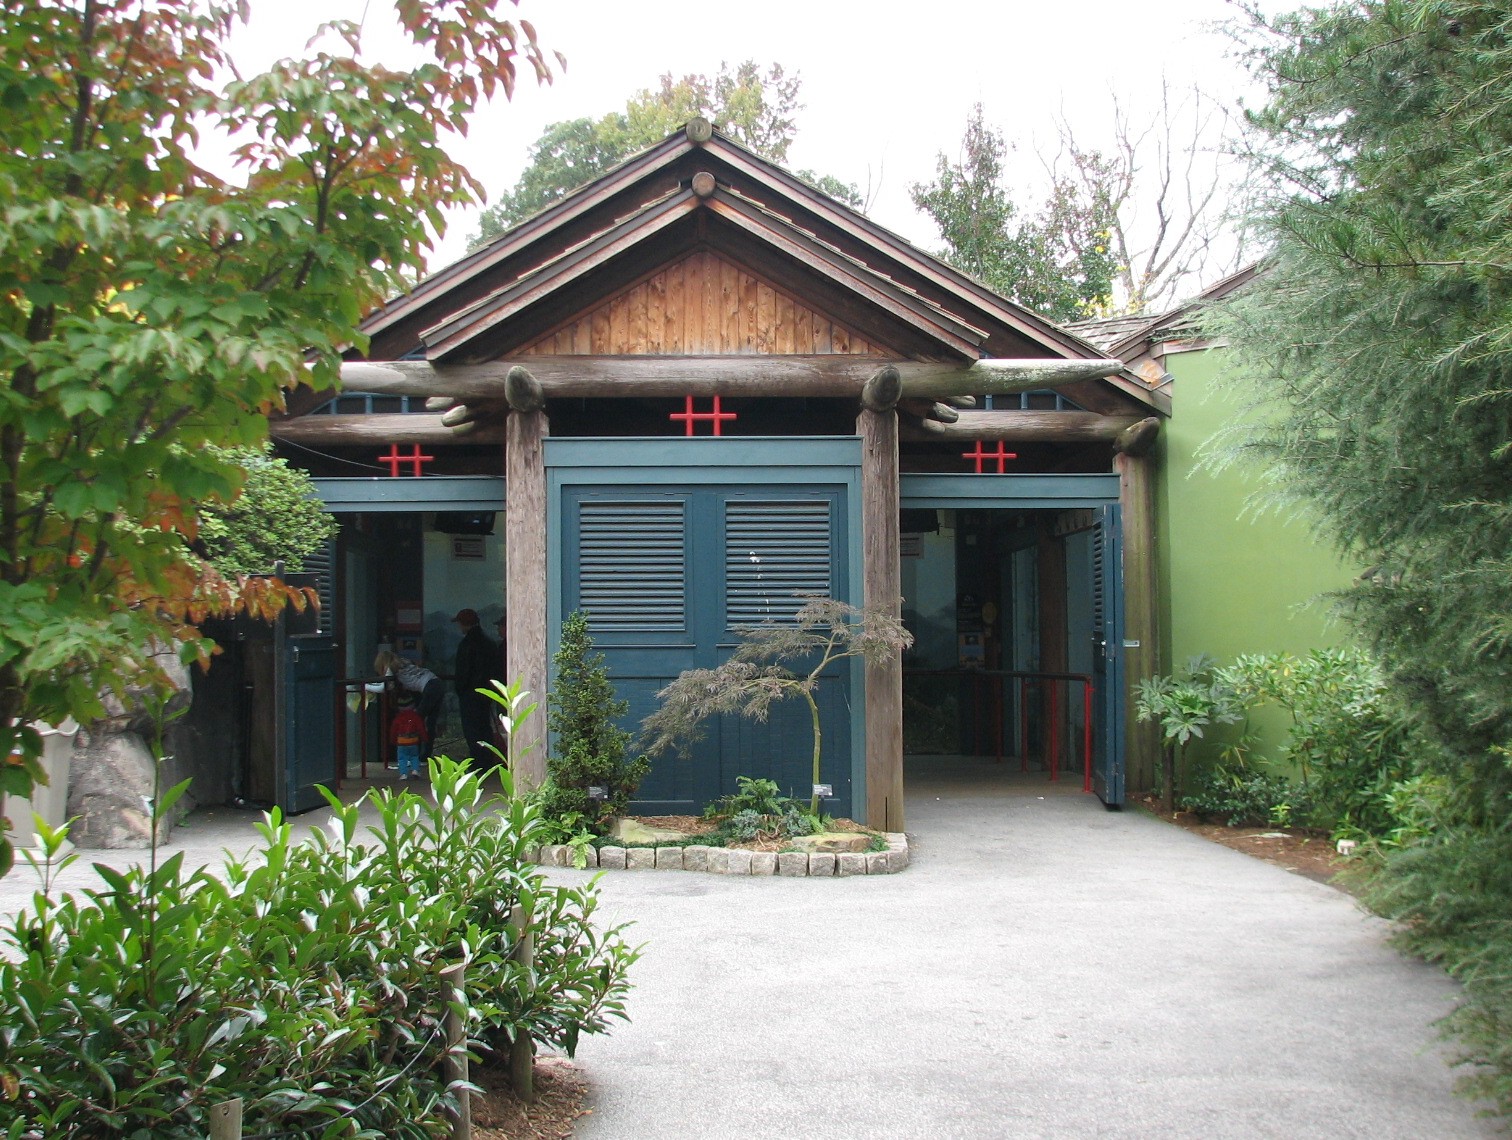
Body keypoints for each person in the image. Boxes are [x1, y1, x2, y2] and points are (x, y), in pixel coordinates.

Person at [374, 649, 445, 764]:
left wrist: (366, 687)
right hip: (436, 682)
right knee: (430, 723)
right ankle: (424, 756)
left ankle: (413, 756)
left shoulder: (391, 669)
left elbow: (384, 687)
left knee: (414, 722)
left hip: (429, 687)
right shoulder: (404, 662)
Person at [452, 608, 497, 761]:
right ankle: (487, 758)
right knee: (484, 726)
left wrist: (460, 689)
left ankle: (477, 759)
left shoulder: (466, 645)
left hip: (469, 694)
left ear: (464, 624)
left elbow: (463, 671)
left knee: (472, 729)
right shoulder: (489, 643)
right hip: (486, 692)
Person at [388, 695, 428, 779]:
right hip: (413, 741)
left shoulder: (398, 718)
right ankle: (415, 770)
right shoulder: (415, 717)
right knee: (414, 756)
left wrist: (392, 740)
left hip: (401, 742)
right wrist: (424, 738)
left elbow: (393, 730)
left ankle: (403, 774)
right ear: (412, 705)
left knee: (402, 759)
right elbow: (421, 728)